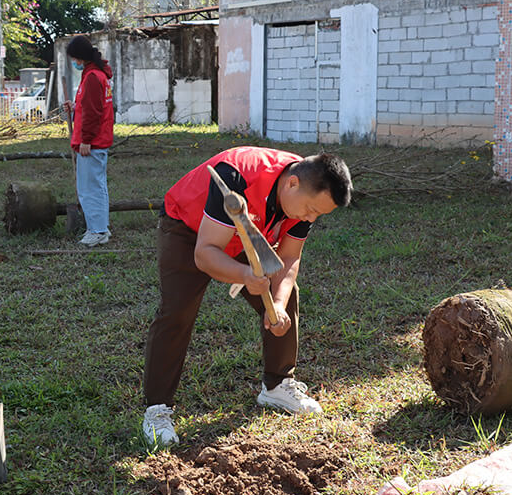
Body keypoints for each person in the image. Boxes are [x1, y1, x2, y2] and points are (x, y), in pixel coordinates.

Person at [141, 148, 352, 447]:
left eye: (318, 213)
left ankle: (277, 384)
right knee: (177, 312)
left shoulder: (304, 193)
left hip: (248, 230)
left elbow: (289, 259)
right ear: (292, 184)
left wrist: (277, 305)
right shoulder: (234, 176)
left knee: (286, 296)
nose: (310, 217)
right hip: (188, 229)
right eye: (310, 209)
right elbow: (205, 254)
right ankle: (157, 409)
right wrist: (244, 275)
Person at [64, 35, 114, 247]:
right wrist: (75, 108)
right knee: (96, 186)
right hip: (96, 140)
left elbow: (94, 112)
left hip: (92, 142)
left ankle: (98, 231)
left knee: (90, 188)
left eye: (74, 58)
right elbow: (90, 106)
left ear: (79, 57)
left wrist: (86, 140)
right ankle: (100, 227)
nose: (73, 62)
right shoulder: (95, 75)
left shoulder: (93, 77)